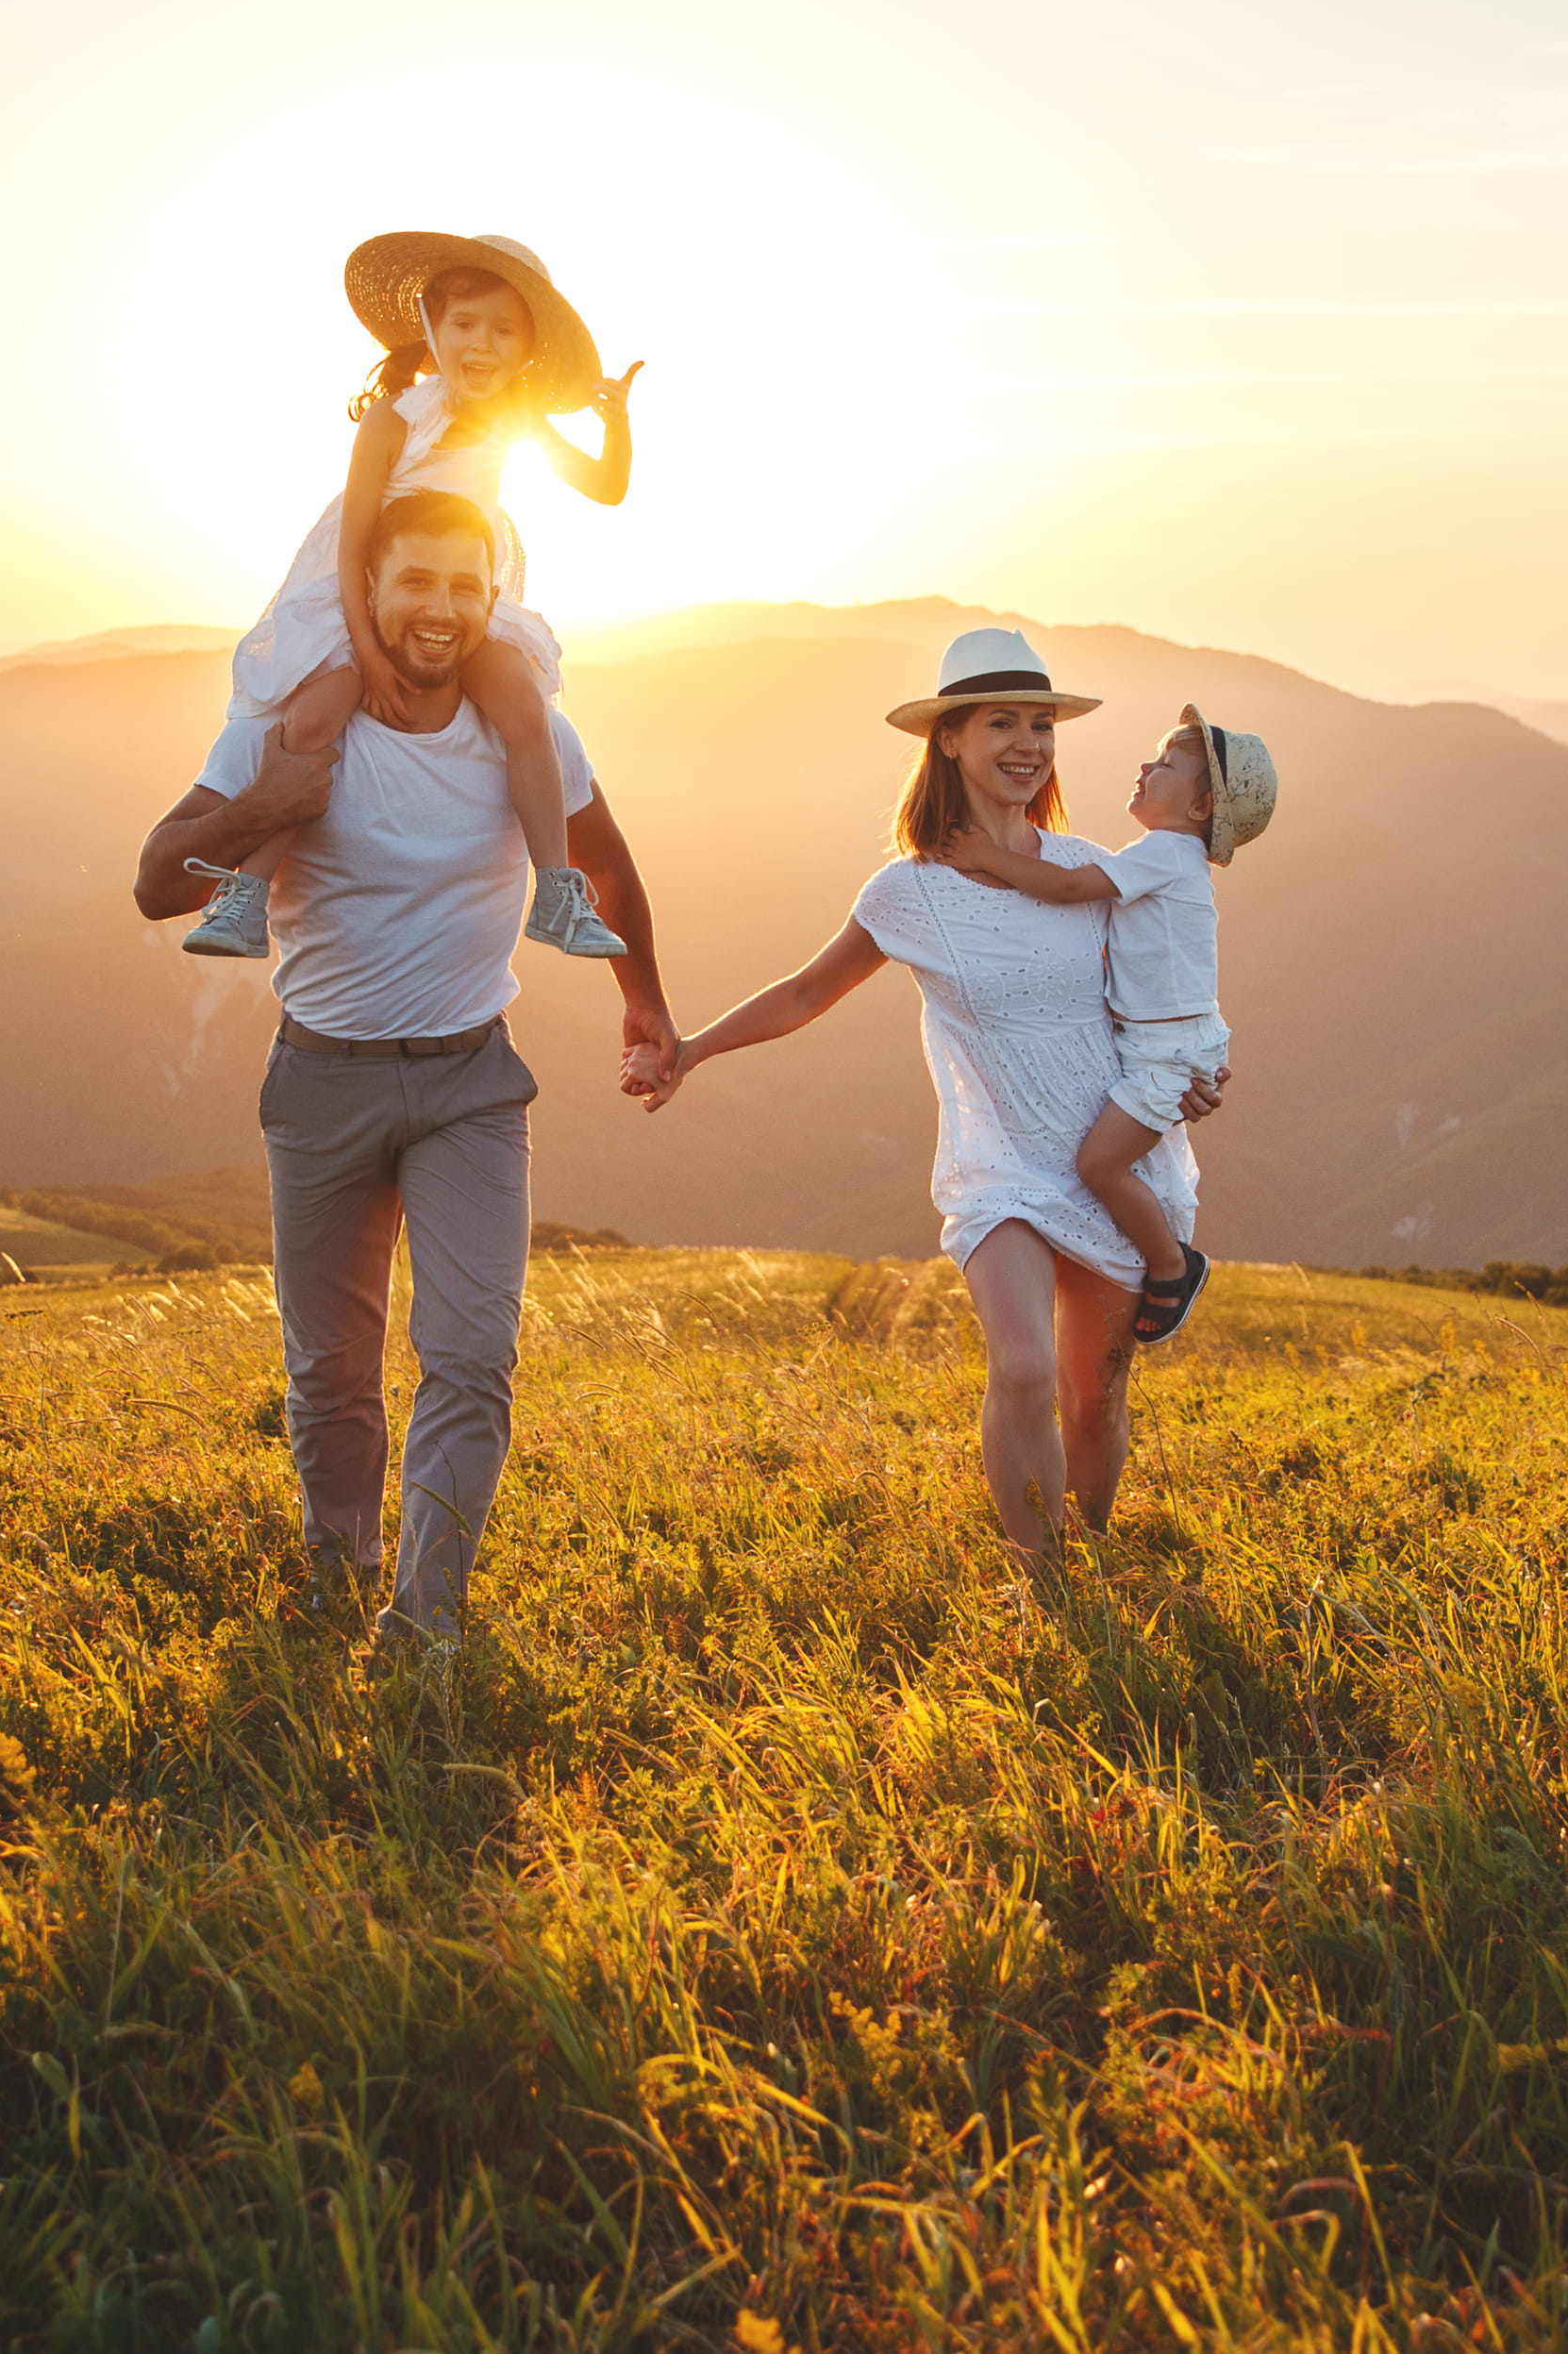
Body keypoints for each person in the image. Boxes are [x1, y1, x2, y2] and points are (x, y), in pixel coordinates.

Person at [132, 489, 675, 1655]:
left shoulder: (522, 730)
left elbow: (610, 862)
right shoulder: (294, 726)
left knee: (471, 1356)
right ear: (366, 592)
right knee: (329, 1375)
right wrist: (269, 805)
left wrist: (646, 1008)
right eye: (416, 582)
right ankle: (341, 1566)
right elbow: (152, 882)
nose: (441, 609)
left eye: (465, 585)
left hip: (472, 1082)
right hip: (321, 1083)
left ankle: (423, 1617)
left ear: (495, 599)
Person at [633, 629, 1224, 1562]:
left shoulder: (1089, 870)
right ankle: (1043, 1583)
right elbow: (802, 992)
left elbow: (1161, 992)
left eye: (1041, 724)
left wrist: (1195, 1071)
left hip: (1110, 1155)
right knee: (1024, 1369)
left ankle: (1090, 1553)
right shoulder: (908, 891)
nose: (1029, 743)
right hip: (1000, 1163)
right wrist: (691, 1050)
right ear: (949, 738)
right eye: (1003, 723)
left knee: (1094, 1389)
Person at [176, 230, 640, 967]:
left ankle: (556, 890)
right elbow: (353, 547)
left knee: (524, 706)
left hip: (459, 599)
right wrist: (365, 652)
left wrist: (615, 425)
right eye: (464, 324)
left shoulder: (517, 424)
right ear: (431, 327)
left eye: (502, 329)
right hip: (364, 595)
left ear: (525, 348)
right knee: (315, 715)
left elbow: (606, 488)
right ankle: (247, 895)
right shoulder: (394, 421)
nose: (481, 343)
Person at [938, 703, 1275, 1344]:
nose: (1148, 765)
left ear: (1200, 808)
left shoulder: (1165, 853)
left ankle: (1173, 1264)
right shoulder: (1172, 860)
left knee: (1099, 1165)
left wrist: (986, 855)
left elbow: (1068, 889)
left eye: (1169, 763)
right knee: (1102, 1163)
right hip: (1172, 1044)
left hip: (1166, 1052)